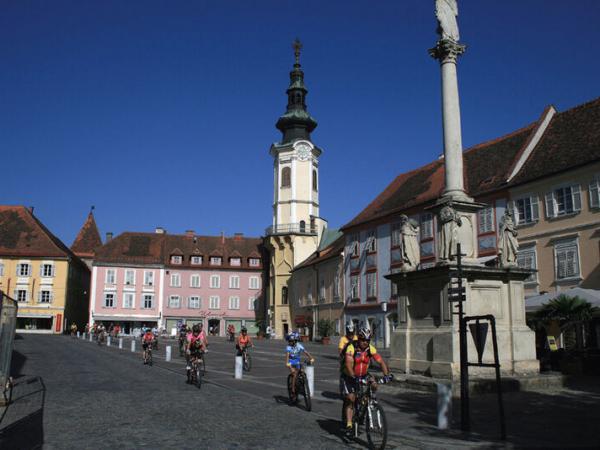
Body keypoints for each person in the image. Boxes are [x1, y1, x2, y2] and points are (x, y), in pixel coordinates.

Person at [341, 327, 392, 435]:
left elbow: (381, 362)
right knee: (351, 398)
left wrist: (386, 375)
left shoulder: (370, 349)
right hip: (350, 375)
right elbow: (348, 364)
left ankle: (366, 403)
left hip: (364, 375)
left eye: (368, 340)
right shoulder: (351, 347)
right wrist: (353, 377)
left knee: (374, 385)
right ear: (359, 339)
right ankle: (349, 423)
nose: (365, 342)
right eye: (363, 340)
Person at [286, 331, 314, 401]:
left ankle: (301, 386)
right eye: (289, 341)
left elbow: (305, 352)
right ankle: (292, 389)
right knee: (294, 374)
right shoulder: (289, 347)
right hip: (291, 363)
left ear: (295, 341)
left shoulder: (299, 346)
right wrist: (287, 363)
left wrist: (311, 358)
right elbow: (287, 355)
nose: (289, 342)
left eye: (291, 341)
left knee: (301, 372)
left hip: (297, 362)